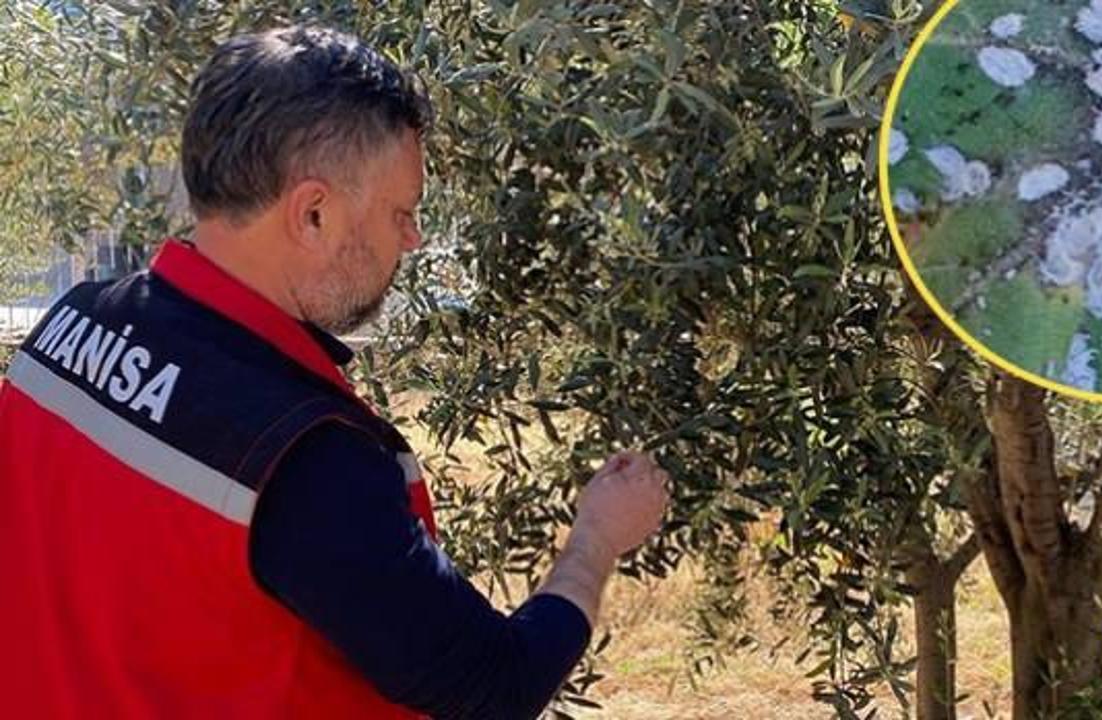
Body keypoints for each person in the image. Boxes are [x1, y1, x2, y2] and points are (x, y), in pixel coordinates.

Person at [0, 25, 669, 719]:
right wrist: (597, 538)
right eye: (400, 212)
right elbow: (494, 687)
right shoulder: (300, 457)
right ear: (313, 213)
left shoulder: (73, 327)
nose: (411, 238)